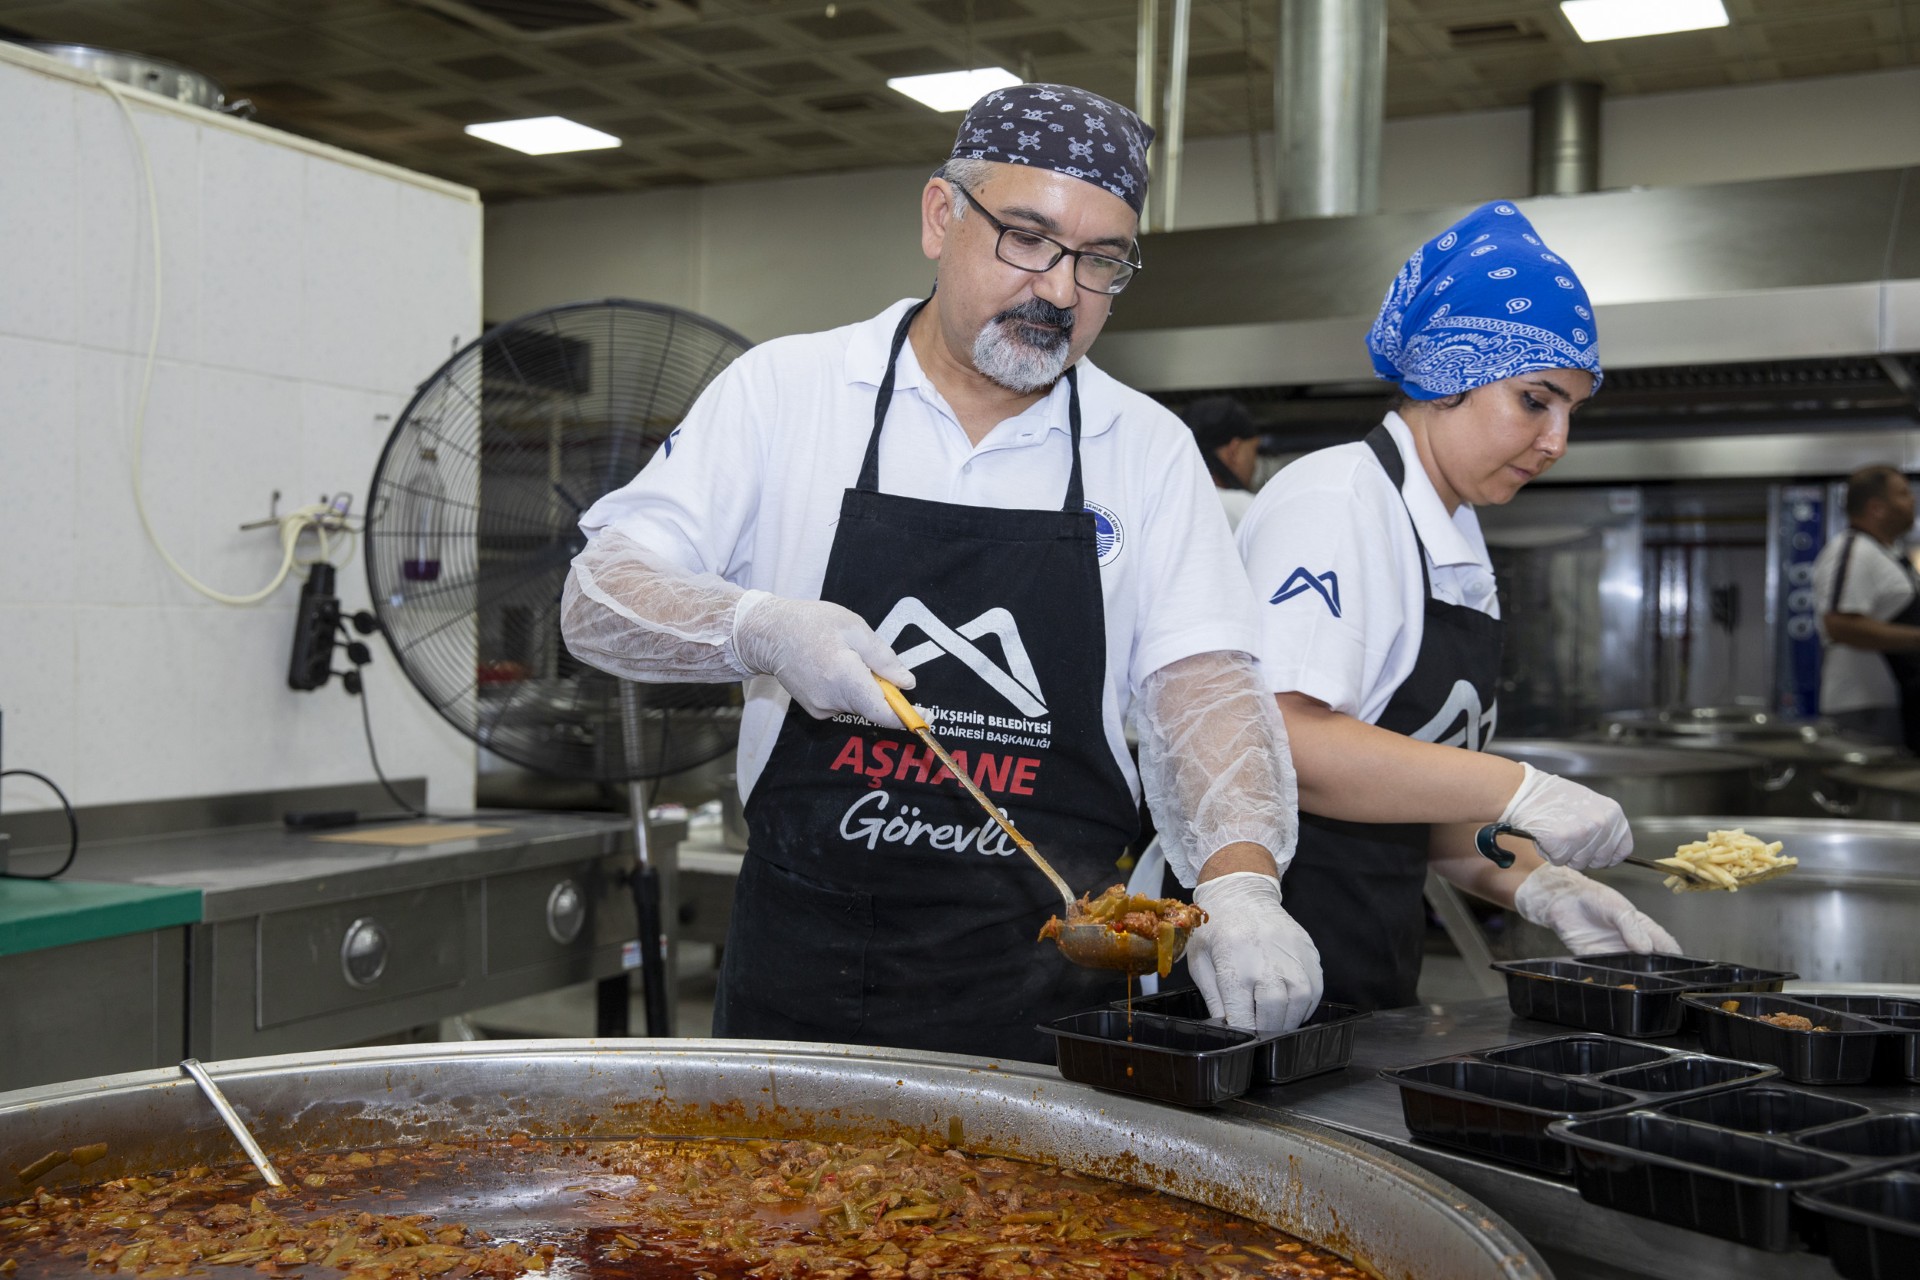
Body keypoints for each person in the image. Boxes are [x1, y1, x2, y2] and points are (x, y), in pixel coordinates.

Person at [561, 83, 1315, 1060]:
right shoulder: (786, 393)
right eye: (1028, 237)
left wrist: (1242, 881)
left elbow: (1205, 692)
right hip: (803, 988)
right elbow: (601, 596)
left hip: (1057, 995)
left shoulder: (1148, 449)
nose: (1057, 289)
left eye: (1100, 260)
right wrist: (760, 627)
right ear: (939, 216)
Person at [1235, 200, 1680, 1011]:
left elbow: (1406, 796)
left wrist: (1538, 884)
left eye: (1573, 410)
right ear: (1448, 376)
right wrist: (1519, 786)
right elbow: (1284, 742)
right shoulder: (1339, 503)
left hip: (1361, 963)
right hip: (1258, 961)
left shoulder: (1453, 533)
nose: (1557, 442)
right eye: (1535, 400)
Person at [1812, 465, 1920, 748]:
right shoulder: (1852, 552)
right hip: (1862, 710)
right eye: (1902, 494)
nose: (1912, 501)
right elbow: (1839, 624)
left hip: (1893, 704)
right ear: (1876, 508)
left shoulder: (1888, 554)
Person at [1182, 396, 1263, 530]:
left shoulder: (1171, 505)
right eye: (1254, 451)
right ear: (1233, 451)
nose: (1255, 464)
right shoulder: (1244, 510)